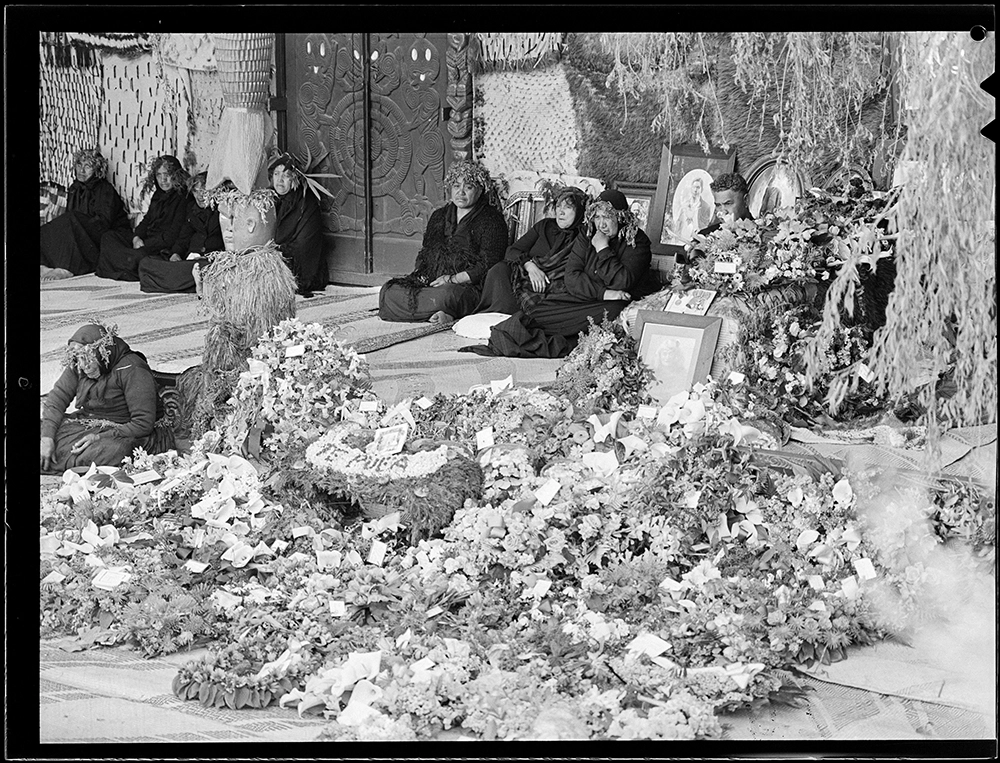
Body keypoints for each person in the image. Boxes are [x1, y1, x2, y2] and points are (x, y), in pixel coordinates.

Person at [463, 189, 659, 358]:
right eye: (597, 217)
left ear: (621, 216)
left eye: (607, 217)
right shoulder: (587, 234)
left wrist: (602, 249)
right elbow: (572, 277)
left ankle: (573, 336)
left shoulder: (638, 242)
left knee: (614, 310)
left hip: (605, 304)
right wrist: (604, 292)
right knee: (526, 318)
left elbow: (622, 282)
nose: (602, 224)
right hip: (581, 297)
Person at [378, 160, 509, 324]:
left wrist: (452, 279)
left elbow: (489, 264)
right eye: (456, 186)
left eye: (468, 187)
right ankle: (441, 313)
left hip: (465, 287)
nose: (460, 192)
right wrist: (424, 277)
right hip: (434, 282)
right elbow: (427, 253)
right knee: (389, 291)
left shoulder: (492, 220)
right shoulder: (439, 216)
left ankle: (443, 311)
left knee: (448, 296)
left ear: (480, 190)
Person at [40, 322, 173, 474]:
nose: (84, 366)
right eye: (79, 360)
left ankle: (68, 464)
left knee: (112, 450)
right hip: (87, 423)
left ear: (104, 354)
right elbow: (56, 401)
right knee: (45, 431)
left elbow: (143, 424)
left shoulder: (132, 369)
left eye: (88, 360)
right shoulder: (79, 363)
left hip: (125, 431)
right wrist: (47, 437)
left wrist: (97, 438)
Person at [473, 185, 590, 315]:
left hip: (552, 284)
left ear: (579, 211)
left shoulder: (583, 237)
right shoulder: (545, 225)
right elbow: (512, 250)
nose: (560, 212)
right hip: (524, 275)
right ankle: (494, 314)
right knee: (499, 270)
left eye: (568, 207)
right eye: (558, 206)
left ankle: (510, 317)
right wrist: (530, 266)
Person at [40, 148, 131, 279]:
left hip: (104, 237)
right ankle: (43, 265)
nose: (81, 170)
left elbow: (103, 222)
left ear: (97, 170)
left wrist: (77, 223)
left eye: (87, 166)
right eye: (79, 165)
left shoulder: (104, 189)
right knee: (46, 229)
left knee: (70, 219)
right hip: (81, 232)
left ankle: (67, 268)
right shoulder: (75, 188)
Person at [95, 155, 190, 281]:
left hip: (160, 248)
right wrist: (136, 237)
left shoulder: (183, 198)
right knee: (109, 237)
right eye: (159, 175)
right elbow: (147, 220)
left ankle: (120, 266)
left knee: (140, 257)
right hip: (146, 242)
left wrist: (145, 244)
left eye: (167, 174)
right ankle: (124, 265)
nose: (163, 180)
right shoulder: (158, 195)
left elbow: (172, 235)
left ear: (176, 175)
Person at [136, 172, 223, 294]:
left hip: (209, 260)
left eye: (204, 191)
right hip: (189, 261)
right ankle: (192, 283)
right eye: (196, 191)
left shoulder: (221, 211)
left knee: (203, 269)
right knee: (146, 264)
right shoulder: (191, 209)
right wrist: (176, 253)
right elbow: (183, 237)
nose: (200, 195)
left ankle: (191, 282)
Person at [675, 172, 753, 280]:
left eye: (728, 203)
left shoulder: (764, 235)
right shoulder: (704, 236)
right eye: (718, 205)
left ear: (746, 200)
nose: (722, 211)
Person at [269, 153, 326, 298]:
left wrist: (278, 251)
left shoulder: (304, 202)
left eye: (286, 175)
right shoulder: (271, 199)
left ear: (295, 179)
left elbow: (303, 243)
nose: (280, 180)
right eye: (276, 174)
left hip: (301, 264)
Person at [673, 176, 714, 243]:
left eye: (698, 187)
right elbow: (678, 224)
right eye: (694, 187)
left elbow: (705, 227)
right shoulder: (684, 204)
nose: (695, 190)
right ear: (691, 188)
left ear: (702, 189)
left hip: (695, 239)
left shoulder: (705, 207)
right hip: (682, 238)